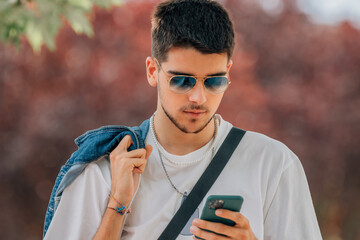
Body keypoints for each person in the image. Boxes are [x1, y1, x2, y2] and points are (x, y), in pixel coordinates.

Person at [43, 0, 322, 239]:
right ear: (153, 71)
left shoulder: (274, 164)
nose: (198, 97)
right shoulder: (104, 167)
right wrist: (117, 205)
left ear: (229, 72)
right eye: (182, 81)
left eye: (214, 81)